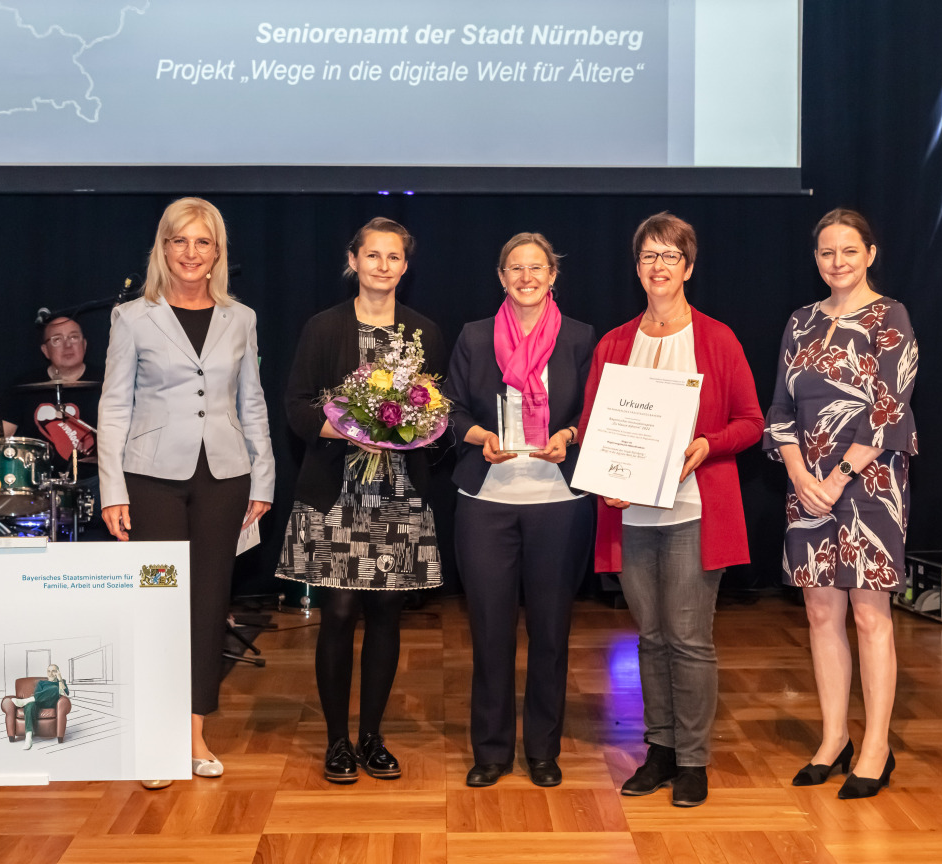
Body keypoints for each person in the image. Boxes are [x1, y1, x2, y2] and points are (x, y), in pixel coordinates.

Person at [578, 212, 763, 807]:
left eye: (670, 256)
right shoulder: (614, 343)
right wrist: (604, 475)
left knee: (688, 636)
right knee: (650, 637)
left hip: (692, 511)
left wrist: (710, 444)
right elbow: (591, 428)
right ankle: (658, 750)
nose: (659, 267)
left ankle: (694, 760)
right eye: (648, 256)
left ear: (689, 266)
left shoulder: (717, 338)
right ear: (637, 267)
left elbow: (751, 423)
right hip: (631, 514)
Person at [98, 197, 275, 788]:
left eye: (203, 242)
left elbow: (252, 402)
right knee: (159, 602)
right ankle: (155, 734)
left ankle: (194, 732)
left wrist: (264, 479)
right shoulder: (132, 317)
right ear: (163, 248)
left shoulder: (241, 318)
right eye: (180, 241)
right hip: (150, 481)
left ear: (218, 252)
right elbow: (114, 405)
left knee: (207, 604)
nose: (191, 253)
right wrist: (111, 490)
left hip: (224, 480)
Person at [277, 217, 446, 785]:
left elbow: (438, 412)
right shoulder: (323, 328)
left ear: (405, 266)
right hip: (336, 492)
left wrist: (416, 427)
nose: (381, 266)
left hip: (397, 493)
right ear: (353, 260)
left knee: (385, 614)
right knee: (340, 613)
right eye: (371, 255)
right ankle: (337, 740)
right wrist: (343, 429)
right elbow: (297, 407)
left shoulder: (422, 331)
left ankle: (373, 737)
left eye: (393, 257)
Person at [762, 208, 918, 799]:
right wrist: (803, 474)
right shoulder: (800, 321)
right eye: (827, 252)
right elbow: (779, 409)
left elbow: (889, 407)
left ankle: (876, 745)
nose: (837, 262)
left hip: (872, 486)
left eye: (848, 251)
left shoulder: (890, 317)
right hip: (808, 488)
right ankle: (834, 738)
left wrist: (839, 476)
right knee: (821, 614)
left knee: (869, 617)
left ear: (870, 254)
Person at [444, 232, 596, 788]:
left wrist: (572, 432)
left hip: (559, 501)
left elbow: (595, 410)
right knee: (489, 632)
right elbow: (452, 408)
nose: (527, 277)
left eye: (538, 267)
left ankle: (543, 750)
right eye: (516, 268)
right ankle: (490, 751)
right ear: (501, 277)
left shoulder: (580, 338)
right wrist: (479, 433)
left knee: (552, 632)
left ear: (553, 275)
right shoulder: (475, 336)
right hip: (486, 501)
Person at [0, 315, 103, 443]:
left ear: (84, 344)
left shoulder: (108, 382)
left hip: (100, 462)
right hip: (38, 463)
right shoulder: (23, 388)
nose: (68, 345)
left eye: (74, 337)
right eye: (57, 340)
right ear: (45, 350)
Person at [11, 664, 70, 750]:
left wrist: (60, 679)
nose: (50, 673)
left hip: (51, 703)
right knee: (30, 705)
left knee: (54, 689)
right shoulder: (41, 682)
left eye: (53, 671)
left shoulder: (61, 682)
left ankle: (25, 701)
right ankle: (28, 739)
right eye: (48, 671)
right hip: (38, 702)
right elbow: (37, 695)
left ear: (57, 672)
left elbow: (64, 694)